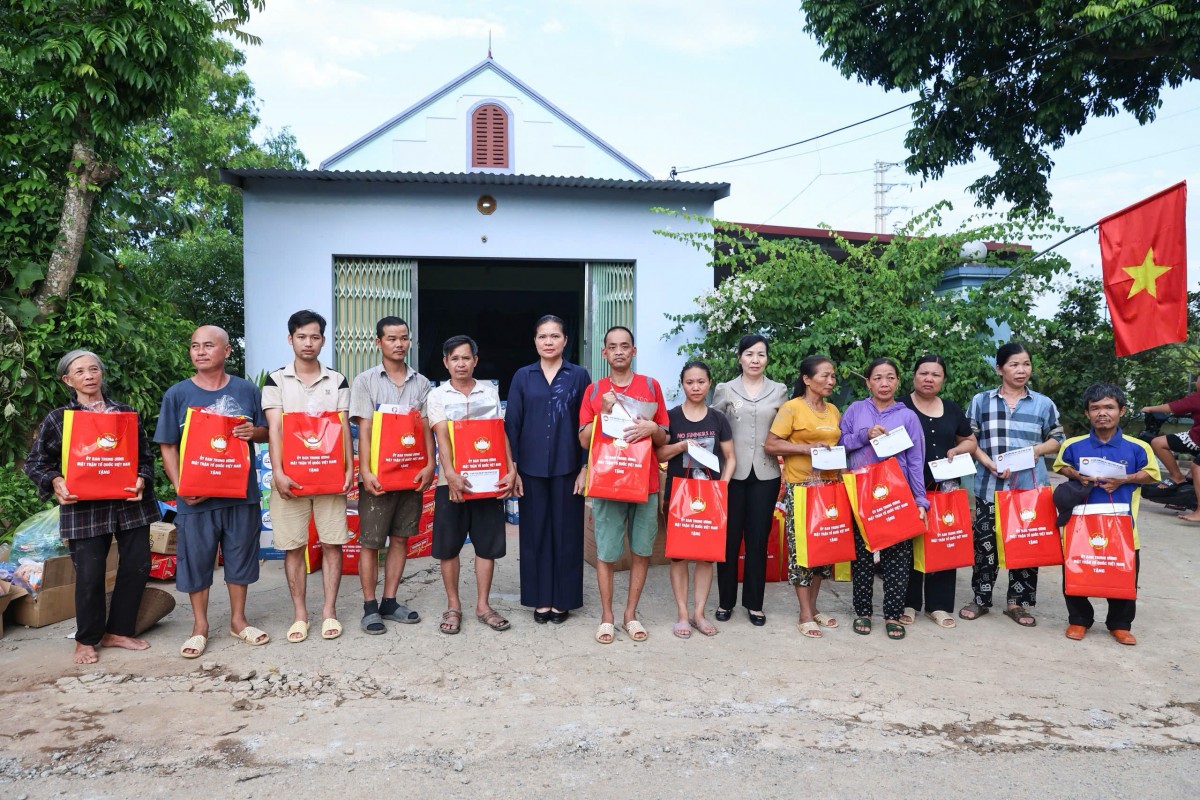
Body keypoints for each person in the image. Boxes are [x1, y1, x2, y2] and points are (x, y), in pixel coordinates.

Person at [24, 350, 160, 665]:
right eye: (80, 371)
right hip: (84, 510)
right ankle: (86, 639)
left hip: (130, 507)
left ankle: (118, 632)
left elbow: (145, 458)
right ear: (67, 380)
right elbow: (35, 463)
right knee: (89, 574)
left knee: (137, 566)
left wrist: (142, 478)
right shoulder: (59, 419)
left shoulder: (125, 414)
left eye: (94, 369)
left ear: (101, 373)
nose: (89, 376)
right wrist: (55, 480)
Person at [156, 326, 270, 658]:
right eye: (195, 346)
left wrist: (253, 431)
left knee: (240, 555)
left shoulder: (247, 390)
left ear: (227, 351)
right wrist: (181, 486)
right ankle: (200, 626)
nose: (200, 351)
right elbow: (167, 445)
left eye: (208, 345)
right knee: (196, 560)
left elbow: (266, 431)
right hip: (195, 499)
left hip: (240, 494)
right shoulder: (177, 394)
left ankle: (238, 620)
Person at [262, 309, 353, 643]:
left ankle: (329, 611)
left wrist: (349, 469)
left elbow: (343, 428)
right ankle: (300, 615)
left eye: (314, 336)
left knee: (332, 543)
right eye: (301, 336)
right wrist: (278, 472)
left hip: (330, 478)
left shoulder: (337, 380)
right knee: (293, 547)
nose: (308, 343)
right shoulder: (276, 380)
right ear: (291, 339)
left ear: (323, 341)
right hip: (291, 477)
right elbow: (275, 430)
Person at [961, 342, 1064, 627]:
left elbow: (1058, 438)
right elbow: (968, 439)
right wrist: (988, 463)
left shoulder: (1043, 403)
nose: (1021, 370)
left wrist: (1037, 450)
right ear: (999, 369)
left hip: (1030, 488)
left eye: (1026, 364)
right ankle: (981, 599)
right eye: (1014, 364)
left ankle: (1017, 603)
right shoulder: (981, 401)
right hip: (989, 486)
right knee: (985, 546)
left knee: (1026, 545)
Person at [578, 326, 670, 645]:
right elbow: (583, 440)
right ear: (604, 353)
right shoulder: (594, 390)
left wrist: (652, 429)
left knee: (641, 550)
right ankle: (607, 616)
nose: (619, 351)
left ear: (634, 351)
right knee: (606, 552)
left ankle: (630, 614)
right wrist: (603, 412)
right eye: (613, 347)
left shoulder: (650, 386)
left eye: (625, 346)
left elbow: (665, 437)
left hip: (644, 482)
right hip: (608, 482)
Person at [1053, 383, 1158, 646]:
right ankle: (1079, 619)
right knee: (1076, 569)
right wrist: (1076, 474)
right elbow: (1061, 466)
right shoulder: (1073, 445)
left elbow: (1152, 474)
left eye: (1109, 407)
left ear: (1121, 410)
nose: (1102, 413)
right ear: (1087, 413)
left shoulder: (1138, 447)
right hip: (1081, 522)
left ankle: (1120, 625)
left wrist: (1125, 479)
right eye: (1095, 408)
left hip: (1122, 523)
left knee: (1123, 571)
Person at [427, 335, 519, 634]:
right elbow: (441, 437)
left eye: (466, 358)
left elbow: (499, 433)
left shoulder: (489, 392)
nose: (460, 364)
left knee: (487, 545)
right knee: (448, 546)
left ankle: (483, 605)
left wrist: (511, 469)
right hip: (450, 480)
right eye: (454, 358)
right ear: (446, 362)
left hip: (488, 478)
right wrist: (450, 474)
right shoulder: (438, 396)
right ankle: (453, 606)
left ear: (475, 361)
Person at [349, 316, 435, 635]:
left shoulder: (422, 383)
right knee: (371, 542)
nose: (399, 344)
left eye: (403, 338)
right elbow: (365, 428)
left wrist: (430, 464)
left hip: (411, 474)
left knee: (400, 537)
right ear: (379, 342)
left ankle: (389, 601)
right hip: (378, 477)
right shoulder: (366, 381)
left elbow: (425, 427)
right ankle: (369, 606)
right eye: (391, 339)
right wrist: (365, 471)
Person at [504, 315, 591, 624]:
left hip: (569, 466)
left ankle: (563, 599)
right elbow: (512, 424)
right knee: (535, 533)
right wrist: (513, 469)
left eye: (555, 336)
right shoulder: (523, 376)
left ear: (565, 340)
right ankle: (540, 598)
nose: (549, 341)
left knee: (567, 534)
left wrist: (585, 467)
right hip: (530, 469)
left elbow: (589, 423)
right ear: (535, 341)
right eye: (543, 336)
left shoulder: (579, 375)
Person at [839, 358, 928, 640]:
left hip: (897, 496)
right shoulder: (855, 410)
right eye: (877, 378)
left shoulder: (908, 417)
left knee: (897, 558)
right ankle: (863, 611)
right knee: (863, 556)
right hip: (861, 493)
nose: (884, 383)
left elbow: (916, 460)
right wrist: (864, 435)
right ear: (868, 382)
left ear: (898, 381)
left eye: (890, 377)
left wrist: (920, 500)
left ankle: (892, 614)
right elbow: (840, 444)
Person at [764, 355, 843, 639]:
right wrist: (806, 449)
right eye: (824, 376)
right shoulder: (792, 408)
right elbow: (771, 444)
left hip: (829, 488)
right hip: (801, 489)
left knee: (824, 550)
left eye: (833, 376)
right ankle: (804, 613)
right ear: (807, 379)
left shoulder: (833, 410)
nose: (831, 381)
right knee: (802, 552)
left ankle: (814, 606)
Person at [711, 334, 787, 626]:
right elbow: (714, 428)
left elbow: (784, 430)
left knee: (757, 540)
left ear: (767, 359)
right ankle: (725, 601)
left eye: (761, 354)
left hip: (766, 474)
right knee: (728, 540)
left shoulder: (779, 390)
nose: (755, 360)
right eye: (749, 354)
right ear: (740, 358)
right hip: (731, 473)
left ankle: (755, 604)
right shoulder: (724, 389)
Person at [898, 354, 977, 629]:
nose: (929, 379)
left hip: (945, 487)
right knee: (907, 545)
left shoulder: (952, 409)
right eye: (923, 373)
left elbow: (970, 441)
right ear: (914, 376)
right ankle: (907, 603)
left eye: (936, 374)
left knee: (944, 540)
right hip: (908, 487)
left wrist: (957, 449)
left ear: (943, 379)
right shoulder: (900, 407)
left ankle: (939, 606)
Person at [657, 361, 735, 638]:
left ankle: (699, 613)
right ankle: (682, 613)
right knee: (678, 557)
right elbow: (659, 454)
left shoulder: (717, 419)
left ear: (709, 383)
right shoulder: (671, 417)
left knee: (705, 557)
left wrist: (721, 488)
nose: (696, 387)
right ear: (682, 384)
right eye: (690, 382)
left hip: (710, 497)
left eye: (701, 381)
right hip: (679, 496)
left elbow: (730, 458)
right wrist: (681, 445)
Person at [1140, 380, 1200, 520]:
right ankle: (1181, 482)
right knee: (1159, 443)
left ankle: (1177, 478)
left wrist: (1149, 408)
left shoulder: (1197, 398)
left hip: (1196, 438)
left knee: (1197, 467)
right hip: (1196, 437)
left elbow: (1172, 407)